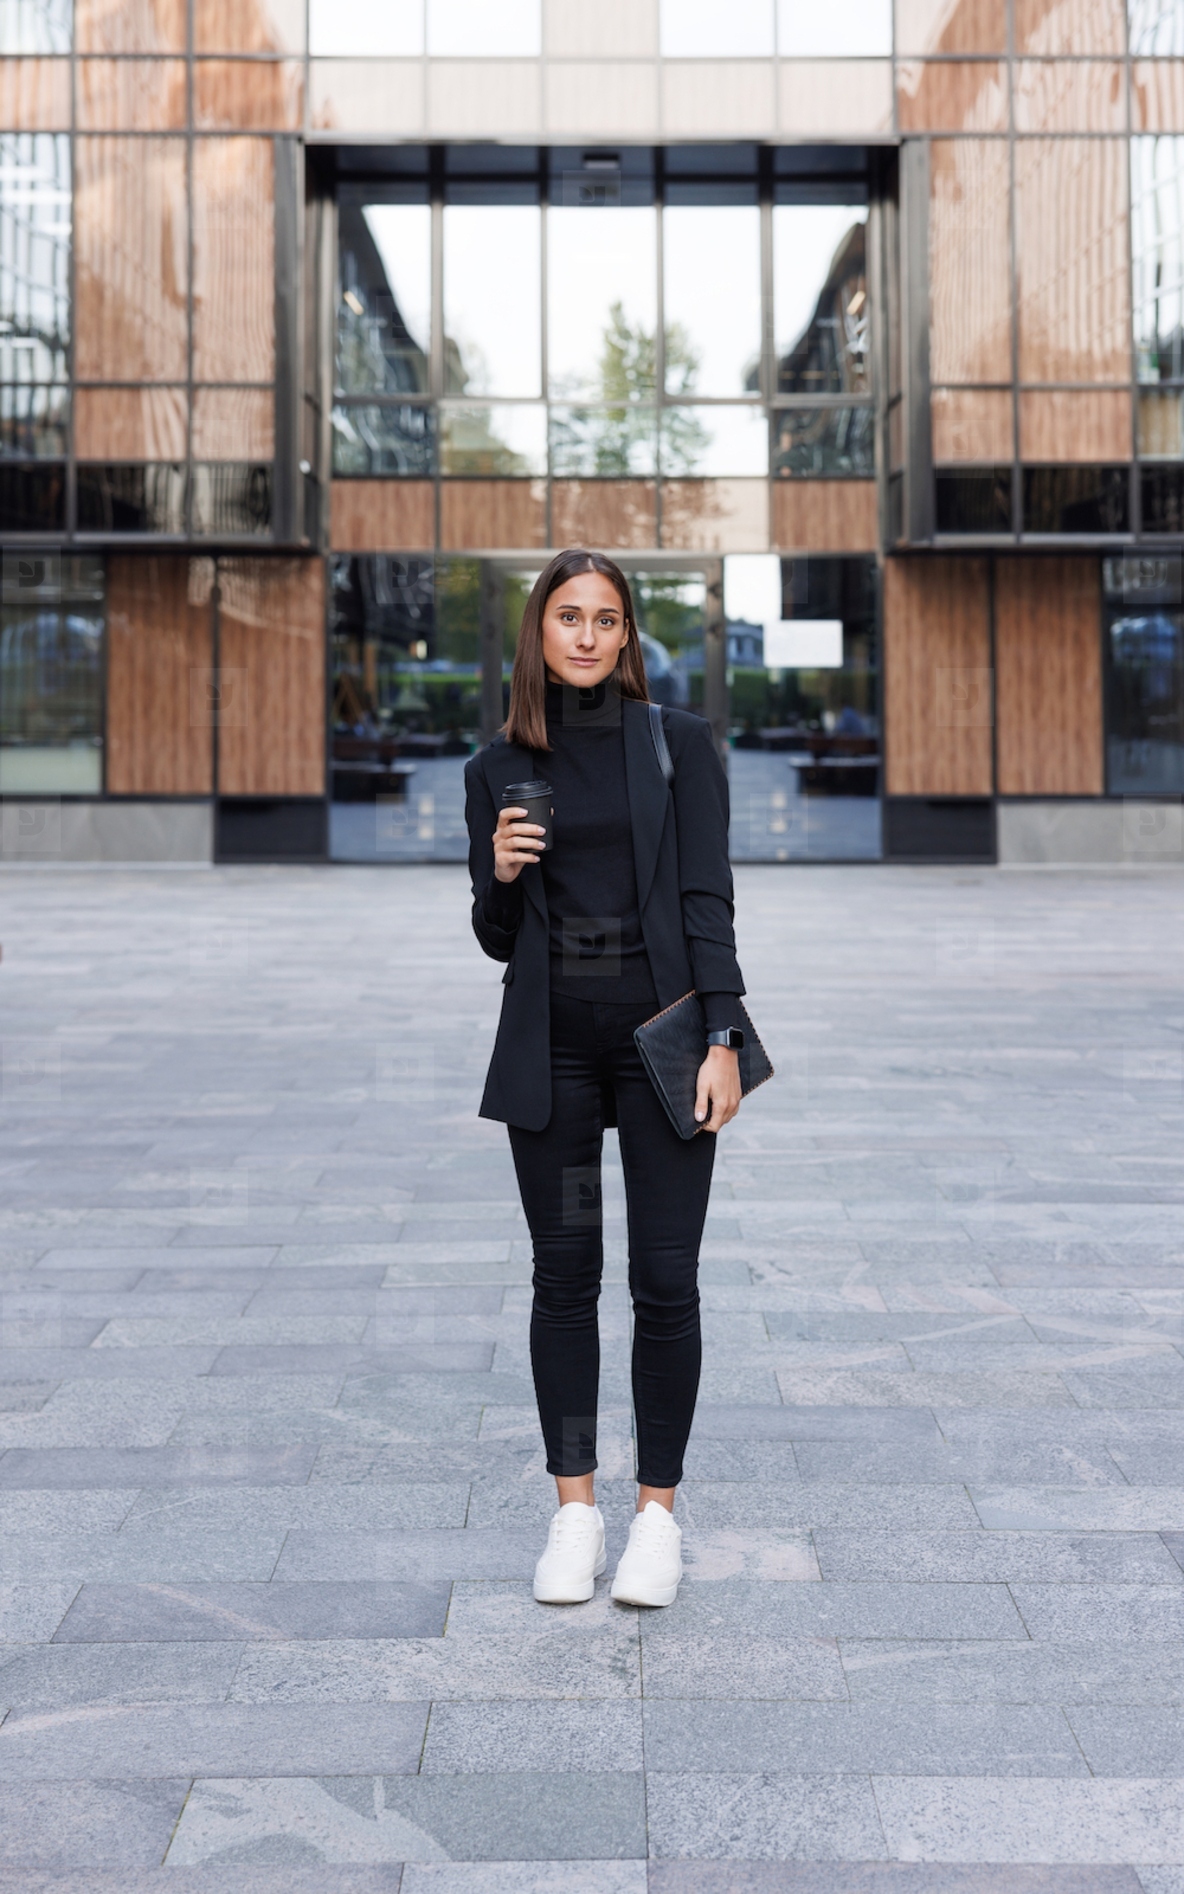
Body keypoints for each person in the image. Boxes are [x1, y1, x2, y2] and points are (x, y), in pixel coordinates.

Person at [463, 548, 749, 1609]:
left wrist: (722, 1036)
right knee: (563, 1277)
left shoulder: (676, 745)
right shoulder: (494, 767)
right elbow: (497, 939)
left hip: (665, 1045)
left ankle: (655, 1520)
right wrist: (495, 875)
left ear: (627, 637)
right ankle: (573, 1511)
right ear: (538, 632)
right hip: (552, 1052)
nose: (585, 634)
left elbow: (706, 899)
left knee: (665, 1282)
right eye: (567, 616)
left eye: (606, 618)